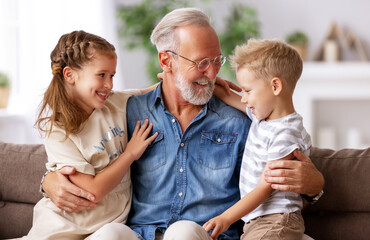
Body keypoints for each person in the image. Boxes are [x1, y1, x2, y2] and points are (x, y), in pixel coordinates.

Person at [41, 9, 325, 240]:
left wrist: (315, 187)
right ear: (166, 61)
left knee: (184, 232)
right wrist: (49, 181)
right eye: (201, 62)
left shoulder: (242, 118)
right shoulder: (127, 111)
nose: (213, 73)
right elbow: (86, 150)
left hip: (202, 235)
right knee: (109, 235)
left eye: (216, 60)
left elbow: (273, 190)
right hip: (139, 234)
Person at [25, 30, 158, 239]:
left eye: (112, 75)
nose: (110, 85)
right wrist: (130, 154)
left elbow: (155, 90)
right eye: (102, 75)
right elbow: (92, 191)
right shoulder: (59, 130)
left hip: (104, 228)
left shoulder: (116, 102)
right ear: (70, 75)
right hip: (63, 228)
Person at [203, 39, 312, 240]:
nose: (243, 98)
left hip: (278, 220)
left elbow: (264, 188)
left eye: (247, 90)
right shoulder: (263, 117)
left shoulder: (286, 134)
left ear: (275, 86)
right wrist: (208, 82)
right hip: (258, 221)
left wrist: (225, 218)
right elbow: (227, 96)